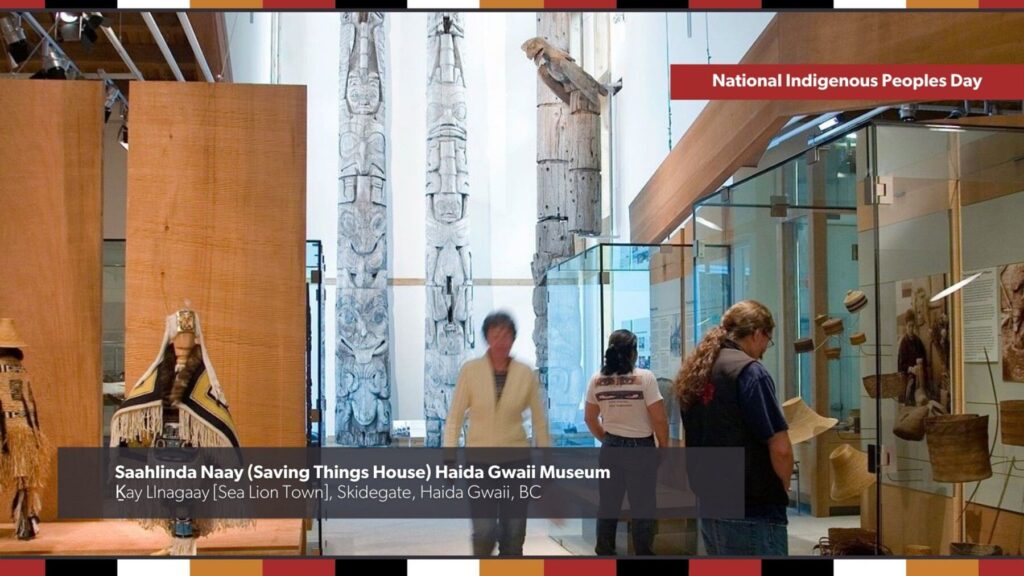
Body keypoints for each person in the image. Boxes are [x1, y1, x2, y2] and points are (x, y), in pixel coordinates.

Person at [675, 300, 792, 556]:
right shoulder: (751, 372)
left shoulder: (697, 371)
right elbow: (780, 447)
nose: (764, 350)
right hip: (753, 506)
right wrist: (780, 489)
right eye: (767, 341)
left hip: (710, 502)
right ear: (757, 333)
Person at [443, 311, 550, 556]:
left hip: (516, 462)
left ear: (513, 338)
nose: (500, 340)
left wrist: (546, 462)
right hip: (480, 463)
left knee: (514, 532)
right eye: (495, 334)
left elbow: (539, 421)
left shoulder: (525, 373)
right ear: (487, 338)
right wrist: (449, 458)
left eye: (506, 335)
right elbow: (454, 418)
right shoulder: (470, 371)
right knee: (484, 531)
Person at [584, 329, 669, 556]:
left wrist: (607, 439)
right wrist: (664, 446)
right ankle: (643, 553)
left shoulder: (597, 379)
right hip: (640, 449)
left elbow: (590, 418)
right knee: (642, 508)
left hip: (610, 449)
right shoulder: (645, 378)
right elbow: (659, 418)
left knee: (608, 506)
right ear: (633, 352)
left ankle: (604, 554)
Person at [0, 318, 52, 540]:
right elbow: (31, 404)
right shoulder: (20, 368)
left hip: (5, 433)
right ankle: (26, 522)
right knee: (25, 482)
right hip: (26, 433)